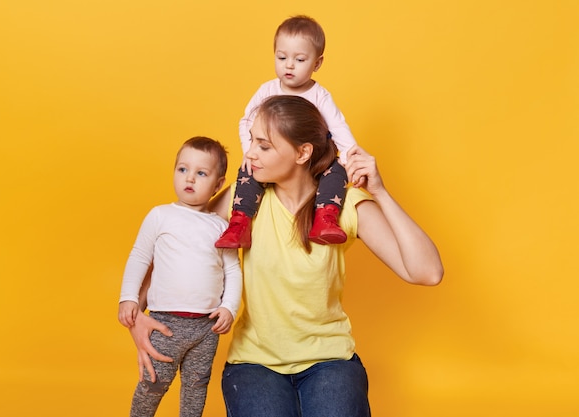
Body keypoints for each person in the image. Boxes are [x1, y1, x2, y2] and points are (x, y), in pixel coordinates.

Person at [129, 96, 444, 417]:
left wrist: (380, 192)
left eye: (264, 146)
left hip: (329, 360)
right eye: (252, 140)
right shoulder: (242, 200)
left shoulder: (344, 204)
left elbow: (427, 272)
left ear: (302, 152)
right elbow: (179, 243)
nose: (250, 153)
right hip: (254, 363)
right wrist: (136, 316)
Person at [118, 136, 242, 417]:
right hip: (165, 323)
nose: (190, 178)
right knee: (152, 383)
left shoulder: (220, 226)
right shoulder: (160, 215)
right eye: (182, 169)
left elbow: (233, 270)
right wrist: (128, 298)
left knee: (196, 387)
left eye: (201, 173)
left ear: (218, 184)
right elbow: (139, 257)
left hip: (206, 327)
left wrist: (229, 307)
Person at [215, 15, 359, 249]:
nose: (289, 65)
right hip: (277, 162)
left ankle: (326, 218)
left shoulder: (319, 95)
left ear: (317, 63)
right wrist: (250, 151)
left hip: (315, 160)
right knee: (247, 174)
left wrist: (352, 155)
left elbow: (338, 126)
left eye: (299, 59)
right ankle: (240, 225)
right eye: (281, 57)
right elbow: (246, 121)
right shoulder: (267, 90)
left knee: (337, 170)